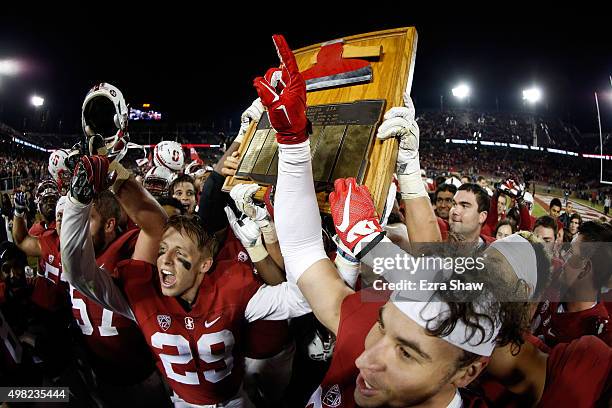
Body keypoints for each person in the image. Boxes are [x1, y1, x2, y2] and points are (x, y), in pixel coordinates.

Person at [252, 35, 526, 408]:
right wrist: (293, 142)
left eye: (407, 354)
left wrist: (372, 244)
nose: (364, 359)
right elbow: (303, 254)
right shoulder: (401, 323)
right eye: (381, 323)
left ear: (469, 373)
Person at [60, 154, 313, 406]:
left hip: (234, 399)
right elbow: (78, 274)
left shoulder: (232, 287)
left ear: (205, 264)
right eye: (161, 250)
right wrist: (76, 202)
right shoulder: (141, 293)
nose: (165, 261)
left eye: (178, 253)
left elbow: (301, 298)